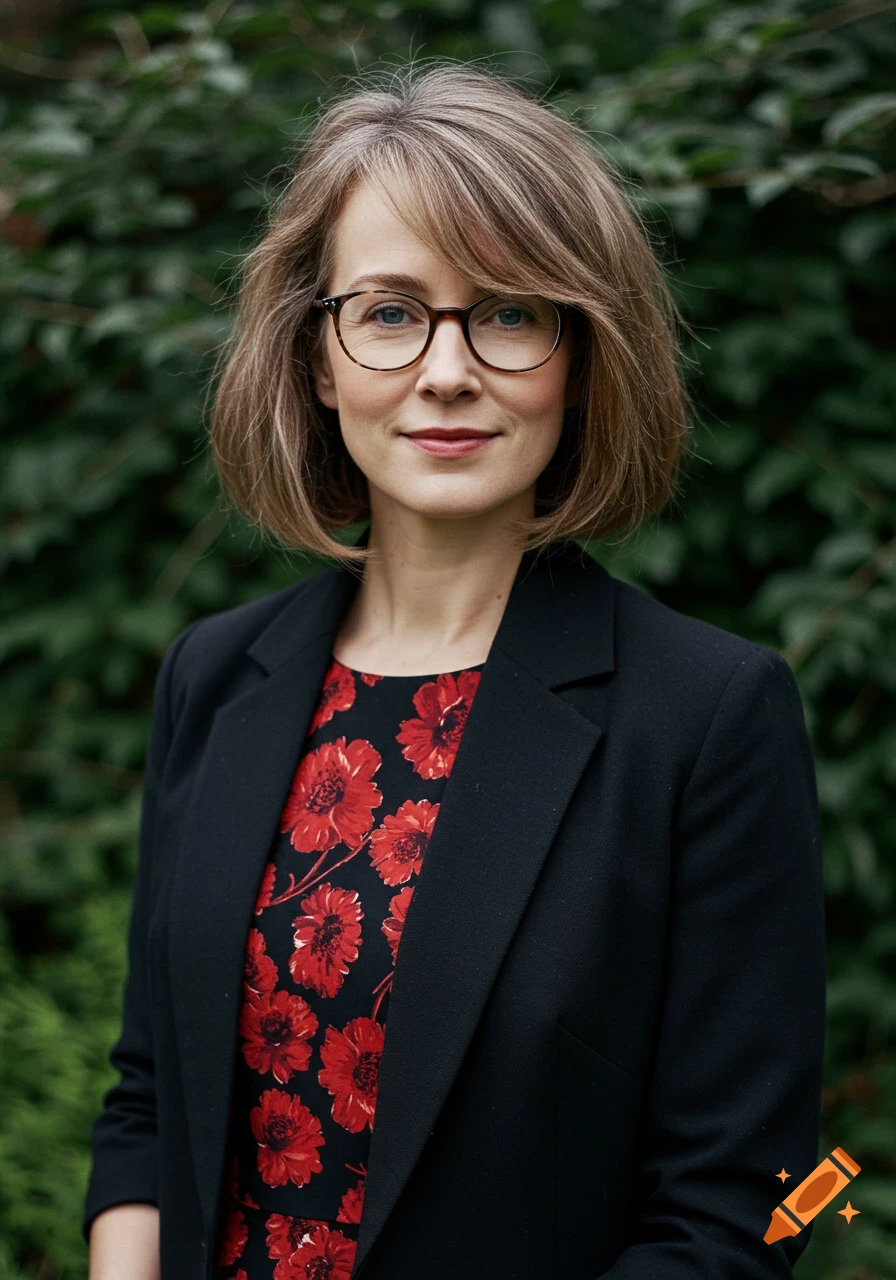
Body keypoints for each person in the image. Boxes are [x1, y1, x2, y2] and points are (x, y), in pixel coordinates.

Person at [83, 60, 826, 1280]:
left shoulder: (706, 718)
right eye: (386, 310)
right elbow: (148, 1099)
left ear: (581, 351)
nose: (444, 368)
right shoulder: (213, 678)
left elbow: (757, 1202)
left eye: (509, 311)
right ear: (317, 362)